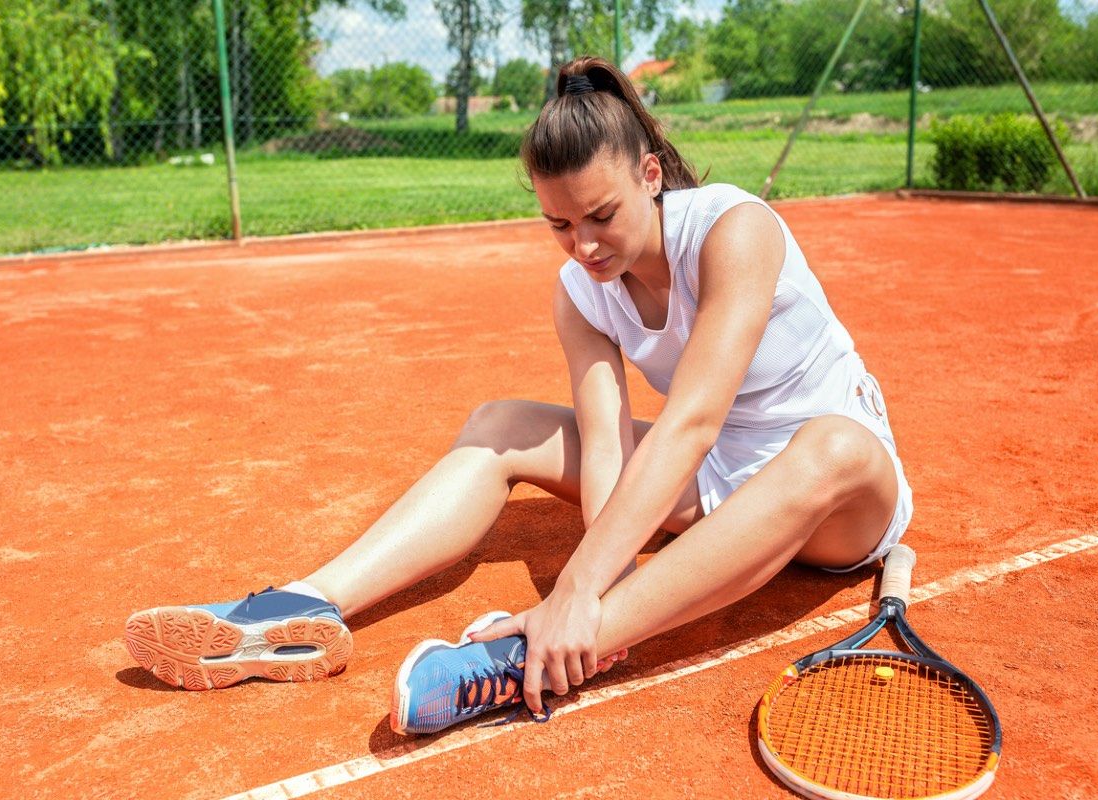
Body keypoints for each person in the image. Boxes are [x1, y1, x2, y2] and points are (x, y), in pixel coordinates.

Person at [124, 56, 913, 737]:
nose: (586, 246)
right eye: (559, 225)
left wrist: (577, 597)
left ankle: (532, 655)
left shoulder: (736, 231)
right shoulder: (580, 291)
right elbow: (605, 442)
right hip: (715, 488)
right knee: (500, 424)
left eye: (601, 216)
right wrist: (598, 569)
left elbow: (693, 423)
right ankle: (305, 603)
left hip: (838, 505)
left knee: (833, 445)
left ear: (649, 175)